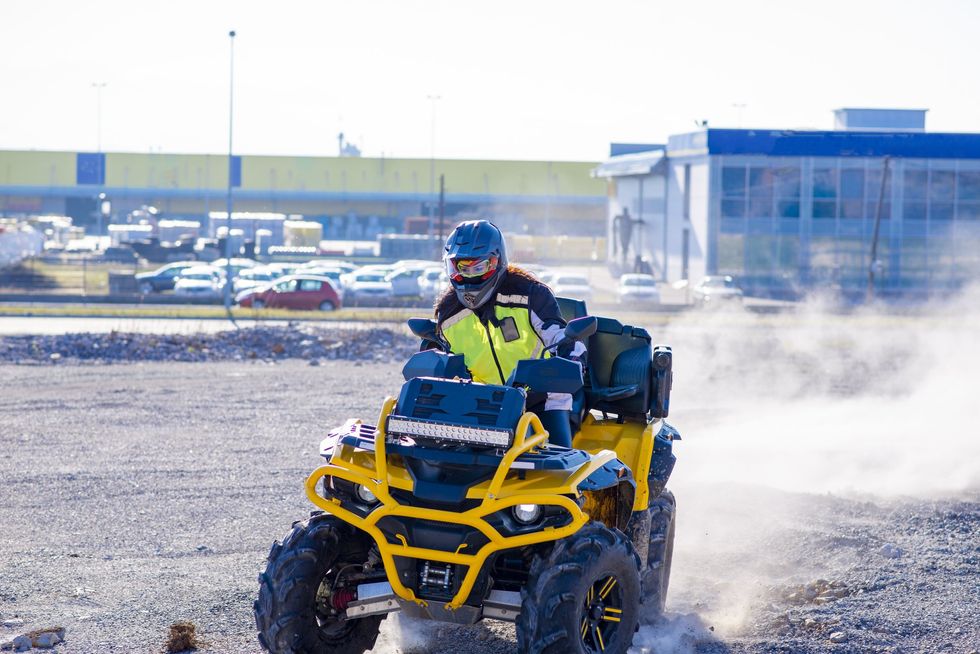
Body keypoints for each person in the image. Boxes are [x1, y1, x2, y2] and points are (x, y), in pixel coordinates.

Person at [434, 220, 585, 448]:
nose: (470, 277)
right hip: (481, 404)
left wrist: (571, 355)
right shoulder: (448, 313)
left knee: (560, 468)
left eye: (480, 267)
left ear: (498, 261)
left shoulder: (531, 295)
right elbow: (442, 358)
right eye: (462, 268)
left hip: (541, 400)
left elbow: (560, 336)